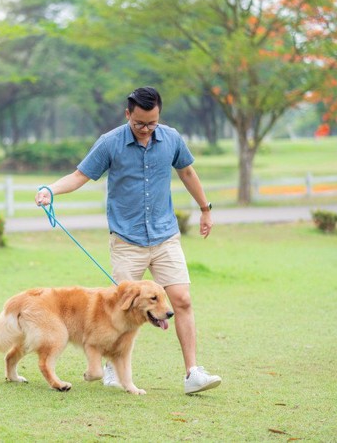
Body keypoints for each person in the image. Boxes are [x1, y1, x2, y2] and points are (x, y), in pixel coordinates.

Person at [34, 86, 221, 395]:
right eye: (139, 124)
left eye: (152, 123)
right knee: (121, 308)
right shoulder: (110, 143)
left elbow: (187, 172)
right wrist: (50, 190)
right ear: (127, 115)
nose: (146, 130)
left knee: (182, 300)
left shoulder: (171, 138)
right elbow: (80, 175)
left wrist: (205, 209)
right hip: (127, 240)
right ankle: (111, 366)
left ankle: (193, 373)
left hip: (165, 236)